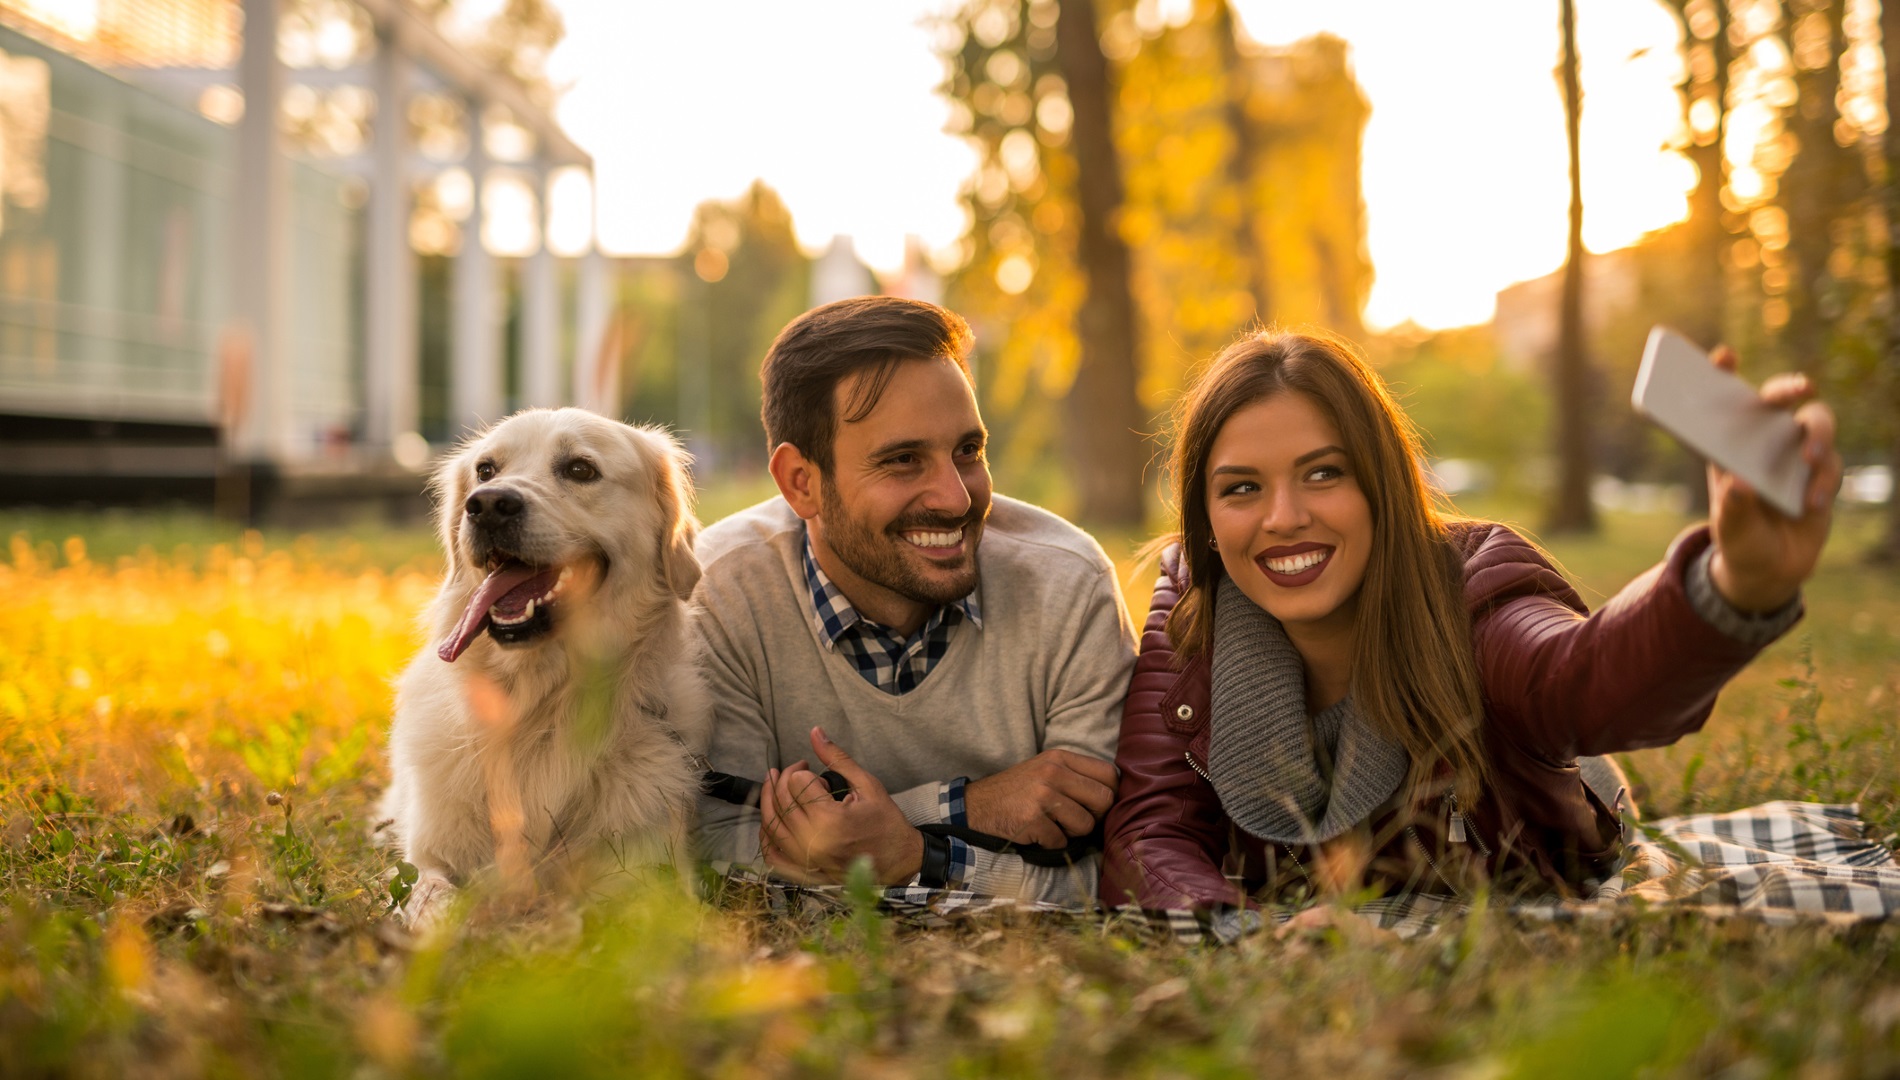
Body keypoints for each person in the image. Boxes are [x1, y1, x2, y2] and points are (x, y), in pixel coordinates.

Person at [1102, 329, 1839, 909]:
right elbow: (1149, 832)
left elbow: (1582, 680)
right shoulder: (1193, 612)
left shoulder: (1474, 587)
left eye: (1324, 473)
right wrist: (1241, 927)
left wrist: (1732, 583)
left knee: (1572, 751)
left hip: (1544, 776)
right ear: (1203, 516)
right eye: (1241, 488)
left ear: (1382, 483)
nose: (1284, 518)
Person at [693, 296, 1137, 904]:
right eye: (903, 461)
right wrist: (964, 808)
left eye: (968, 452)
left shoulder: (1070, 587)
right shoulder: (719, 590)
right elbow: (719, 854)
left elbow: (1116, 872)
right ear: (802, 482)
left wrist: (911, 853)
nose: (956, 500)